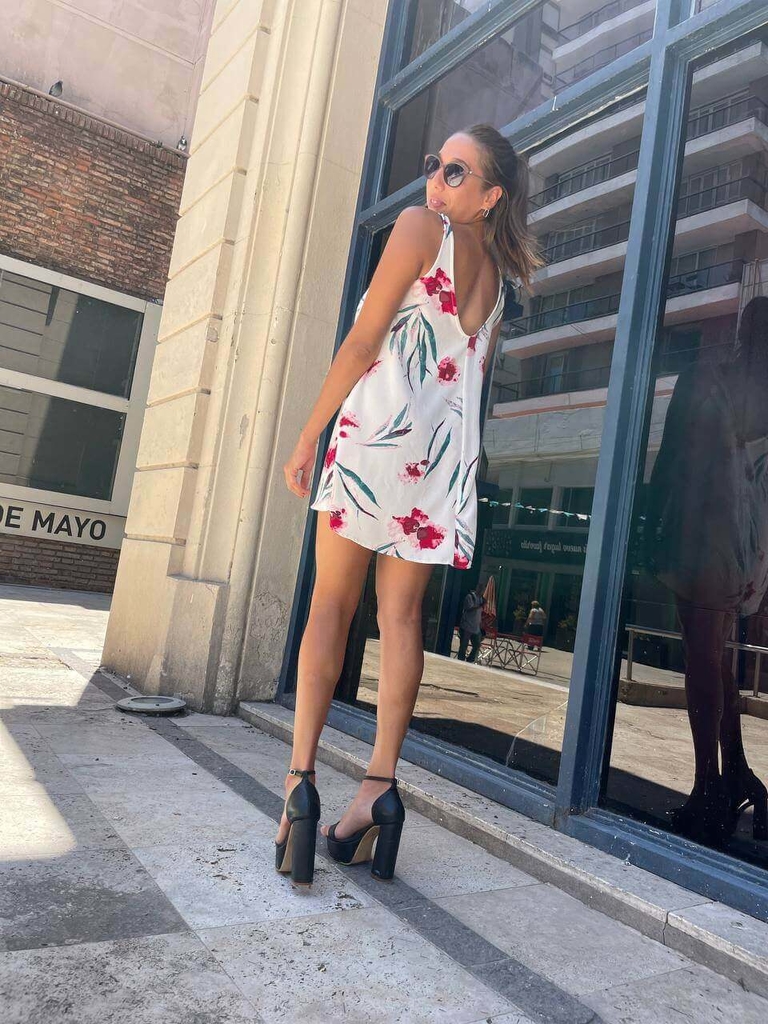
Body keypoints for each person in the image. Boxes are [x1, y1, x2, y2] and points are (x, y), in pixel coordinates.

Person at [276, 124, 541, 885]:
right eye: (434, 166)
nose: (435, 181)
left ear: (490, 196)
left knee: (332, 606)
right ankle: (379, 790)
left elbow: (365, 344)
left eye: (455, 171)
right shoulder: (498, 285)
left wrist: (308, 434)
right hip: (436, 470)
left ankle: (299, 787)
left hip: (375, 444)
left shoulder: (423, 229)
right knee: (401, 621)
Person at [645, 296, 768, 847]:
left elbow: (669, 460)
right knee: (715, 658)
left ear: (742, 332)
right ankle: (734, 774)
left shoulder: (703, 379)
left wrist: (647, 527)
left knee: (703, 658)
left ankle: (709, 788)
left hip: (701, 536)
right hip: (745, 545)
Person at [457, 581, 485, 662]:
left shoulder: (481, 599)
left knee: (477, 645)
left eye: (482, 589)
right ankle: (460, 660)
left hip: (476, 627)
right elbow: (469, 609)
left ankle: (470, 659)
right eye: (480, 588)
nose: (481, 591)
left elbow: (479, 613)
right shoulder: (470, 597)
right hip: (467, 626)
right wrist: (480, 605)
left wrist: (481, 623)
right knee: (463, 646)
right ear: (477, 588)